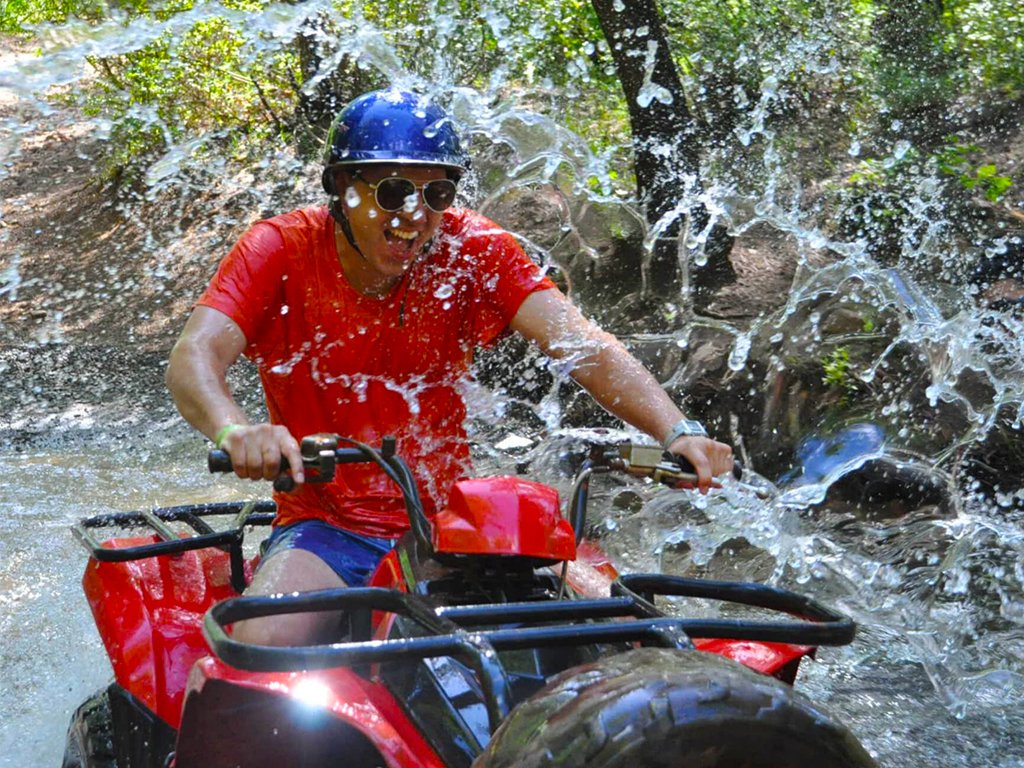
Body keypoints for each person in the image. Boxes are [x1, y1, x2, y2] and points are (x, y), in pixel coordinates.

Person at [165, 89, 734, 645]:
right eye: (392, 191)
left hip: (456, 528)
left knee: (634, 638)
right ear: (343, 186)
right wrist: (235, 430)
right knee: (260, 643)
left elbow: (582, 344)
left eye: (436, 192)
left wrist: (677, 430)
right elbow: (194, 357)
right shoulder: (280, 248)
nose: (415, 215)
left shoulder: (473, 248)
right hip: (329, 528)